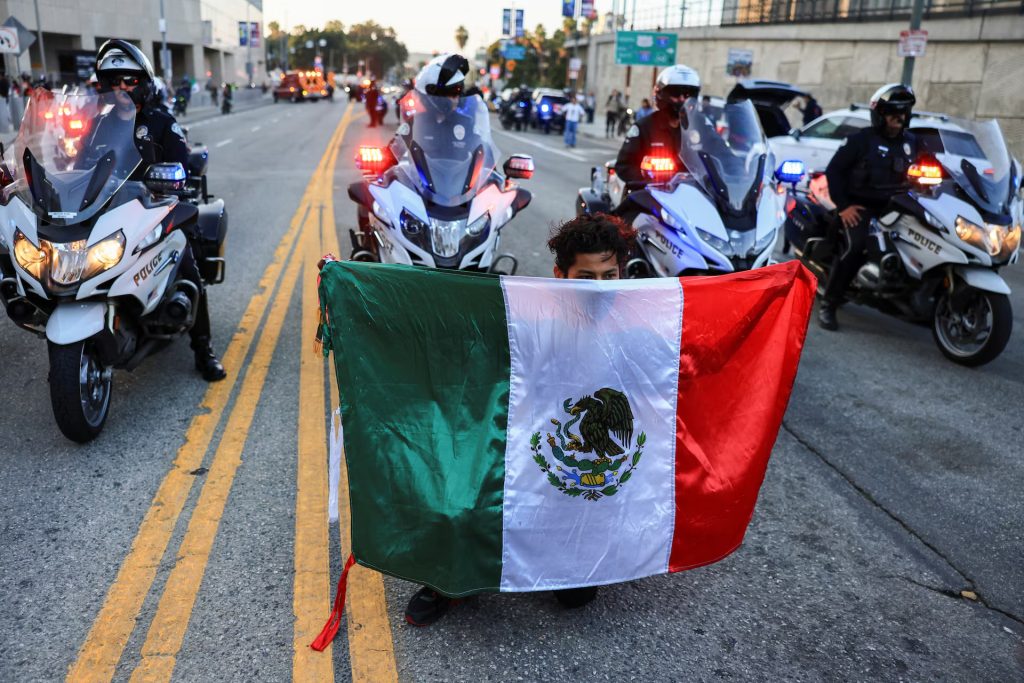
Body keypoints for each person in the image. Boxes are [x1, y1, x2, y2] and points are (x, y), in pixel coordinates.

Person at [404, 213, 637, 627]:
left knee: (576, 597)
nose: (599, 288)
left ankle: (563, 547)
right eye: (586, 277)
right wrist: (348, 285)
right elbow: (442, 328)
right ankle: (450, 580)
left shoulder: (639, 327)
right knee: (459, 499)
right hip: (515, 448)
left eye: (610, 276)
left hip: (574, 470)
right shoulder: (523, 319)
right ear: (560, 275)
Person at [93, 39, 226, 381]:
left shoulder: (161, 122)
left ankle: (203, 349)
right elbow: (77, 165)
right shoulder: (97, 125)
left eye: (129, 80)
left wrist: (171, 179)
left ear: (143, 83)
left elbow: (181, 165)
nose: (122, 88)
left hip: (157, 209)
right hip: (108, 211)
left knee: (188, 268)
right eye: (114, 81)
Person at [817, 83, 918, 331]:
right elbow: (834, 171)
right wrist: (844, 207)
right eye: (892, 112)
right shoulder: (861, 140)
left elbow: (933, 171)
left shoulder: (911, 143)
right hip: (860, 208)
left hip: (897, 209)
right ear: (880, 114)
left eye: (902, 112)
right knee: (856, 248)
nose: (898, 117)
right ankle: (829, 304)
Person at [613, 64, 701, 190]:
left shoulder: (700, 127)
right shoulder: (644, 127)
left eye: (688, 95)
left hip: (691, 194)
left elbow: (722, 158)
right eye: (676, 94)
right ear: (662, 95)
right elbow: (624, 166)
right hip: (652, 193)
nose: (682, 100)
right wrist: (649, 181)